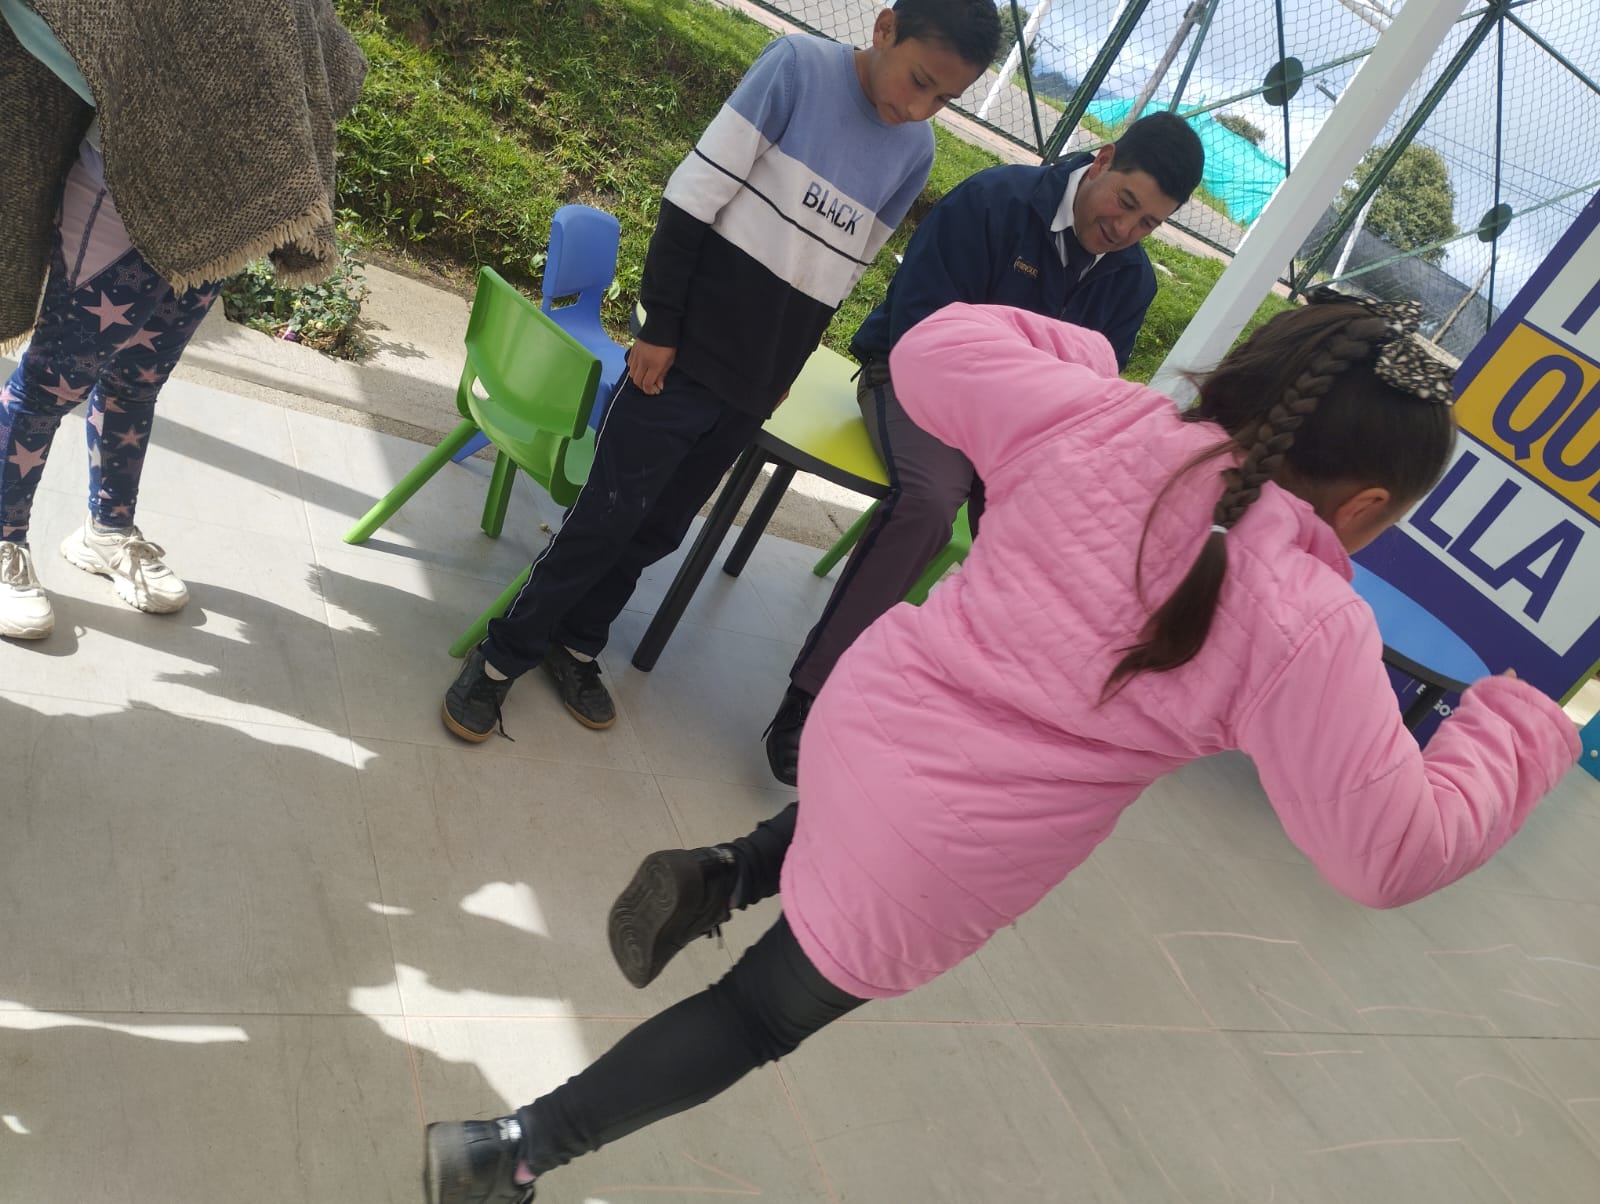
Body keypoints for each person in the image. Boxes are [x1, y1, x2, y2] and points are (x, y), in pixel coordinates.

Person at [421, 291, 1579, 1201]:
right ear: (1369, 507)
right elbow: (1387, 855)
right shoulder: (1310, 620)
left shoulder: (1101, 416)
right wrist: (1516, 731)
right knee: (755, 1016)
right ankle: (509, 1153)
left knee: (861, 814)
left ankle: (735, 869)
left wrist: (1090, 366)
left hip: (862, 723)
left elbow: (931, 350)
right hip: (940, 852)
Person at [438, 0, 1003, 743]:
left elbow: (838, 279)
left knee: (661, 528)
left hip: (753, 381)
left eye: (944, 100)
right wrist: (659, 326)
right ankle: (503, 654)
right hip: (679, 355)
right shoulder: (796, 69)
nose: (920, 107)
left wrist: (782, 377)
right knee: (605, 518)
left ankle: (577, 644)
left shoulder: (915, 152)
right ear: (886, 27)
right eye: (920, 80)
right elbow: (691, 199)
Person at [762, 111, 1205, 784]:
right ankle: (809, 696)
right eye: (1126, 203)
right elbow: (919, 329)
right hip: (915, 385)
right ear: (1103, 160)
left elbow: (1093, 387)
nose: (1125, 230)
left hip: (1019, 434)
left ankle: (955, 719)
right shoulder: (996, 201)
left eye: (1148, 225)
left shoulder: (1131, 281)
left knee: (1047, 540)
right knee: (930, 501)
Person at [0, 0, 365, 639]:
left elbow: (318, 44)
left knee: (139, 378)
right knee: (53, 381)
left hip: (237, 194)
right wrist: (122, 75)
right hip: (126, 174)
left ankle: (106, 531)